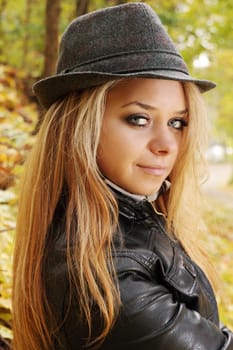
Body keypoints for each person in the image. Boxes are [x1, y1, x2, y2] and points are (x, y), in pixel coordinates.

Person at [12, 2, 233, 350]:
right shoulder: (107, 276)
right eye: (138, 119)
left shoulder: (131, 218)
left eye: (177, 122)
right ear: (79, 127)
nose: (166, 145)